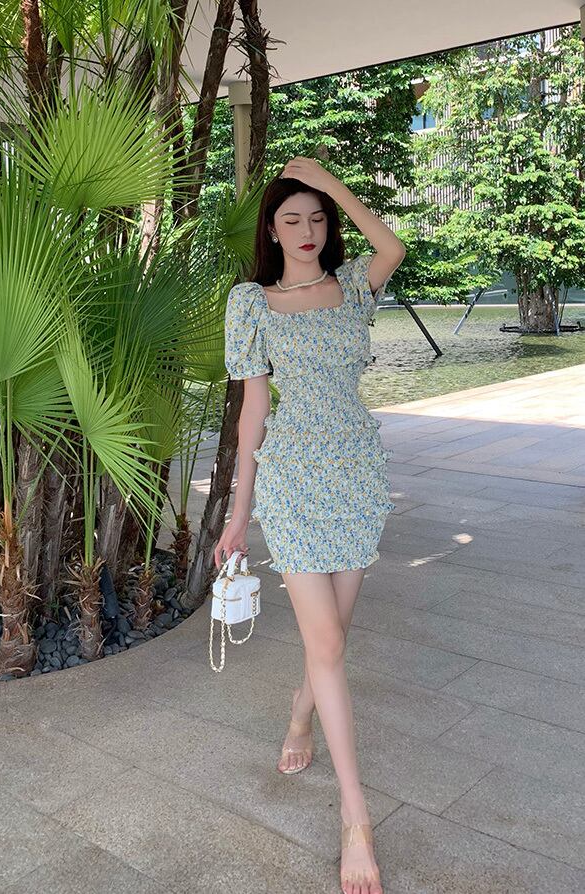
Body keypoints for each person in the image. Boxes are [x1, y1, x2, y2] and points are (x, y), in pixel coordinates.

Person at [214, 156, 405, 894]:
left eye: (317, 217)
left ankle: (301, 717)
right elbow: (252, 413)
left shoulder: (353, 286)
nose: (306, 229)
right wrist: (238, 512)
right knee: (326, 642)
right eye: (291, 218)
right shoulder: (250, 303)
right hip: (292, 481)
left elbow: (391, 247)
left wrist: (330, 183)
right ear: (271, 229)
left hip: (357, 474)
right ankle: (356, 818)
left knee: (335, 638)